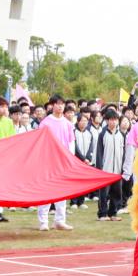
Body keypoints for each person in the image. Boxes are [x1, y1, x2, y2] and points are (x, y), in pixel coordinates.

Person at [36, 94, 75, 230]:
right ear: (52, 105)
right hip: (48, 161)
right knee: (46, 191)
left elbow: (71, 142)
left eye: (62, 104)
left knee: (62, 192)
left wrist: (71, 159)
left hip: (63, 162)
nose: (60, 106)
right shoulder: (45, 123)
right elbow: (40, 143)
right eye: (58, 104)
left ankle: (60, 220)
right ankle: (43, 221)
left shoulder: (68, 124)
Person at [94, 108, 125, 221]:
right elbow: (99, 153)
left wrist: (123, 168)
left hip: (117, 169)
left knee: (116, 193)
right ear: (107, 121)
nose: (114, 122)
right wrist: (100, 169)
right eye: (111, 120)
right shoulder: (102, 134)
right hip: (105, 170)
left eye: (115, 120)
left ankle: (113, 213)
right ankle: (102, 214)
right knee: (104, 193)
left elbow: (123, 152)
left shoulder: (121, 135)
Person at [71, 114, 96, 208]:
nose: (84, 123)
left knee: (83, 181)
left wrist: (88, 158)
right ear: (78, 122)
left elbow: (91, 147)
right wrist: (82, 158)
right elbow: (75, 147)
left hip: (86, 161)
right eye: (82, 121)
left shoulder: (89, 133)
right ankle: (74, 201)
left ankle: (81, 201)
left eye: (86, 121)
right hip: (76, 160)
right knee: (75, 181)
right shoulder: (74, 132)